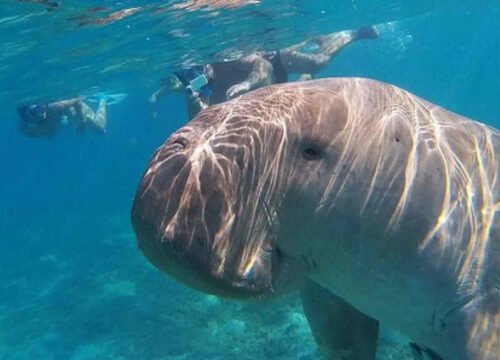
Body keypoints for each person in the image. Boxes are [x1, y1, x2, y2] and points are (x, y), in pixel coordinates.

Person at [150, 25, 379, 120]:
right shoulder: (205, 78)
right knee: (298, 94)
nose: (204, 73)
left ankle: (352, 34)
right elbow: (204, 120)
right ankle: (304, 78)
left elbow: (264, 67)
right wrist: (195, 108)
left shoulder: (229, 58)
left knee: (318, 61)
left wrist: (247, 85)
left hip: (274, 63)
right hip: (269, 91)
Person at [17, 97, 107, 138]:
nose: (41, 113)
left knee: (100, 129)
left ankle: (102, 99)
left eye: (39, 109)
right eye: (35, 113)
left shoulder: (54, 107)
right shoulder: (25, 127)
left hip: (69, 109)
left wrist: (82, 120)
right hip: (61, 118)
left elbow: (76, 101)